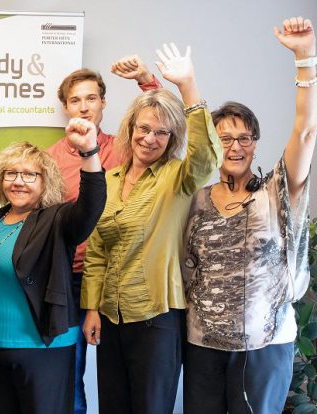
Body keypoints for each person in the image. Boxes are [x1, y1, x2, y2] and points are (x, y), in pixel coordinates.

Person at [182, 16, 316, 414]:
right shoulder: (195, 199)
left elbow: (305, 132)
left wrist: (304, 58)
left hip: (265, 346)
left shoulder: (277, 192)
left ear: (255, 144)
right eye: (224, 139)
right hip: (202, 345)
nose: (234, 147)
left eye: (244, 138)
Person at [81, 43, 223, 413]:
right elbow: (97, 250)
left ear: (172, 138)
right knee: (112, 405)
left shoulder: (178, 178)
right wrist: (92, 308)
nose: (149, 138)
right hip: (112, 316)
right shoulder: (109, 179)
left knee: (150, 407)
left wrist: (187, 85)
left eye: (161, 133)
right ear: (129, 128)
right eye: (143, 128)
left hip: (157, 317)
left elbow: (208, 156)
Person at [0, 115, 106, 414]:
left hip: (41, 350)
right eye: (11, 173)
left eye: (29, 175)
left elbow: (91, 207)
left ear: (45, 181)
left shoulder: (56, 219)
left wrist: (89, 152)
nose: (18, 181)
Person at [46, 56, 160, 414]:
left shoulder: (125, 148)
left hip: (124, 277)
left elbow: (161, 122)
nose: (84, 106)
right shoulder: (49, 160)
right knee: (70, 374)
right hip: (71, 278)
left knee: (128, 376)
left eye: (91, 98)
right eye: (76, 100)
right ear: (65, 108)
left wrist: (146, 81)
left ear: (103, 103)